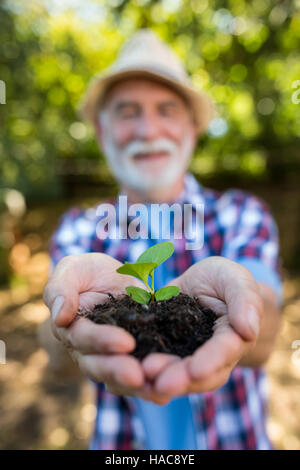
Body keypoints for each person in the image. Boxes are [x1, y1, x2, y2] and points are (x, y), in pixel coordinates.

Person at [42, 29, 282, 450]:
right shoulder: (80, 229)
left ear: (191, 126)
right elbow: (56, 353)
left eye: (166, 110)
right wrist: (64, 324)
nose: (148, 128)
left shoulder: (242, 213)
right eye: (127, 111)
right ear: (102, 131)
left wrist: (242, 308)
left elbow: (266, 326)